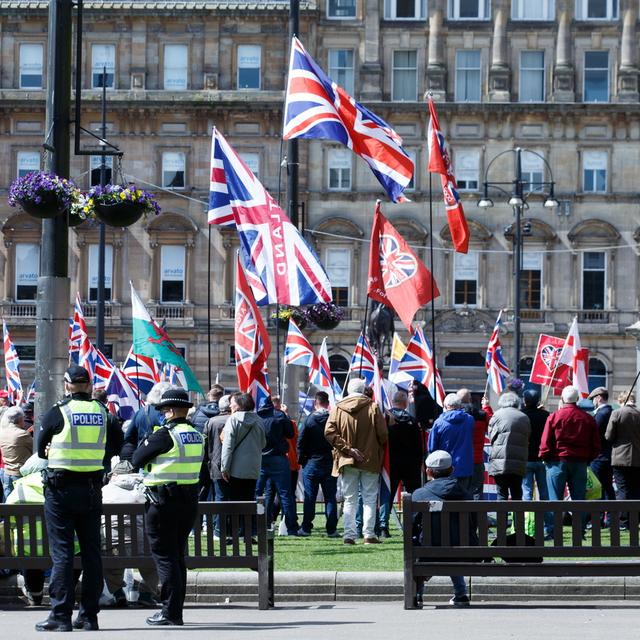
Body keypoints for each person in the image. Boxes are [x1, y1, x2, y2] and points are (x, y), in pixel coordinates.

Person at [35, 365, 113, 632]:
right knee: (92, 553)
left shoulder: (59, 411)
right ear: (89, 385)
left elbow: (40, 449)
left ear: (67, 385)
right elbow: (117, 442)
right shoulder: (103, 412)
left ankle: (60, 615)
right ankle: (89, 616)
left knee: (62, 554)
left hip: (61, 489)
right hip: (92, 488)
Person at [132, 387, 204, 626]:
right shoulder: (196, 433)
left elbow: (136, 459)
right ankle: (175, 611)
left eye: (163, 410)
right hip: (188, 502)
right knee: (177, 557)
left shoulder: (164, 435)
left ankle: (169, 612)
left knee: (165, 558)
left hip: (163, 502)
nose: (162, 414)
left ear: (171, 411)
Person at [325, 378, 388, 545]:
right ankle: (369, 534)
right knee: (369, 498)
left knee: (350, 499)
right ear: (363, 390)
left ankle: (349, 535)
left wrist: (348, 449)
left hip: (346, 460)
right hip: (370, 459)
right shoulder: (373, 407)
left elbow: (329, 432)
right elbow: (383, 434)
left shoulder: (338, 408)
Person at [412, 450, 478, 608]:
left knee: (419, 543)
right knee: (453, 543)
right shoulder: (466, 494)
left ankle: (418, 593)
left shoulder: (419, 494)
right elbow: (473, 524)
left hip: (428, 551)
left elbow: (412, 527)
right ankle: (460, 594)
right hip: (464, 551)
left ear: (428, 471)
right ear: (452, 470)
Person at [101, 459, 159, 608]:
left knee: (109, 560)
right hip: (143, 550)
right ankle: (146, 594)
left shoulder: (104, 491)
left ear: (114, 475)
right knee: (153, 562)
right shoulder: (145, 489)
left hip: (113, 549)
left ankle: (118, 592)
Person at [539, 385, 601, 504]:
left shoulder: (554, 417)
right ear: (577, 399)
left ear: (562, 399)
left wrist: (545, 457)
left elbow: (545, 442)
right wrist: (587, 459)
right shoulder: (588, 418)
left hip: (557, 461)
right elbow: (596, 445)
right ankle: (580, 523)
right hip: (580, 461)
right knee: (579, 502)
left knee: (555, 502)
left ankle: (556, 523)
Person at [379, 389, 422, 537]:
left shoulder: (386, 419)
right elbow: (418, 445)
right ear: (404, 403)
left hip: (391, 464)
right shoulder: (413, 421)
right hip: (410, 465)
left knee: (387, 495)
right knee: (414, 496)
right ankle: (413, 527)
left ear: (393, 401)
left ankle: (383, 526)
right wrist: (419, 462)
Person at [255, 396, 300, 536]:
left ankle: (258, 525)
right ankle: (292, 527)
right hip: (278, 457)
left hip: (260, 458)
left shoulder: (256, 417)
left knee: (259, 493)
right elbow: (290, 433)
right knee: (286, 494)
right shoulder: (279, 415)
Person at [297, 391, 338, 537]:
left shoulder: (309, 420)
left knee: (310, 497)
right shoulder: (333, 419)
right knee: (330, 497)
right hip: (330, 462)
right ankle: (332, 529)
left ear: (316, 403)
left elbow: (300, 442)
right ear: (327, 403)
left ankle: (306, 528)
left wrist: (302, 461)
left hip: (312, 463)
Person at [220, 392, 266, 501]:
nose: (230, 406)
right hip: (253, 470)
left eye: (232, 403)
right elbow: (263, 444)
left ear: (239, 405)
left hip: (235, 470)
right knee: (249, 503)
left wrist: (224, 468)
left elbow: (228, 446)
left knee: (235, 506)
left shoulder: (233, 419)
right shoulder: (259, 420)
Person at [487, 392, 530, 500]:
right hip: (518, 461)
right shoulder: (524, 417)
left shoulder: (497, 415)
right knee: (517, 493)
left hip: (500, 461)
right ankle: (518, 517)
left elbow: (491, 436)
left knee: (501, 493)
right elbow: (528, 436)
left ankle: (502, 517)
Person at [520, 389, 552, 537]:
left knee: (526, 494)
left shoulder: (521, 415)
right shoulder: (546, 416)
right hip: (542, 459)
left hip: (526, 459)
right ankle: (548, 527)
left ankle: (528, 527)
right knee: (545, 494)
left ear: (525, 400)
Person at [427, 393, 475, 491]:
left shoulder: (439, 422)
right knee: (464, 500)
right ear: (460, 405)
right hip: (465, 467)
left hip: (444, 468)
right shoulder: (469, 420)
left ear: (446, 406)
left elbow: (432, 448)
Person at [120, 381, 172, 461]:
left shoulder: (140, 412)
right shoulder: (167, 414)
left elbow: (128, 436)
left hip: (141, 456)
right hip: (162, 459)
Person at [204, 394, 232, 538]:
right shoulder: (232, 420)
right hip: (232, 465)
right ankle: (229, 529)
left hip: (215, 463)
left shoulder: (211, 422)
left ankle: (218, 530)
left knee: (219, 498)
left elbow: (206, 444)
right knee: (233, 498)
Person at [605, 391, 640, 506]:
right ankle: (635, 520)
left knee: (622, 489)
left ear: (621, 401)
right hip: (637, 457)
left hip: (620, 458)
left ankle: (624, 521)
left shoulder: (617, 413)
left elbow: (608, 436)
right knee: (635, 490)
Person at [458, 389, 493, 501]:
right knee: (477, 492)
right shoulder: (481, 415)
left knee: (460, 492)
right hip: (477, 460)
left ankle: (463, 518)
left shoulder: (454, 416)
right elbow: (492, 424)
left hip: (460, 461)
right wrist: (486, 407)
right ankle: (477, 518)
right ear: (470, 399)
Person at [588, 387, 616, 521]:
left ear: (599, 398)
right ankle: (611, 518)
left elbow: (594, 433)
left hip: (599, 456)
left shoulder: (601, 414)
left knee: (597, 489)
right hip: (609, 456)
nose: (593, 401)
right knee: (608, 487)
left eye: (593, 398)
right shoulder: (612, 412)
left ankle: (597, 518)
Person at [0, 406, 32, 500]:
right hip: (18, 473)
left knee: (7, 501)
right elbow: (35, 449)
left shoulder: (3, 432)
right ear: (20, 419)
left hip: (6, 472)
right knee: (19, 503)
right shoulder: (22, 434)